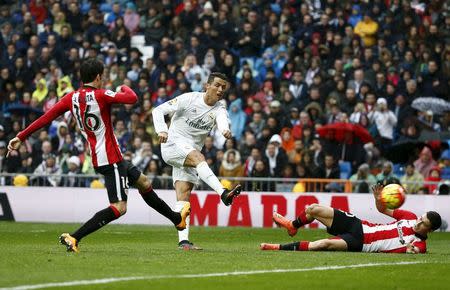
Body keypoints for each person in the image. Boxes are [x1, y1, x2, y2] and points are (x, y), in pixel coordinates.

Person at [7, 59, 190, 253]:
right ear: (98, 77)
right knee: (119, 207)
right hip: (110, 159)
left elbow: (46, 118)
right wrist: (123, 87)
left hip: (105, 157)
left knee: (143, 182)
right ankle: (74, 237)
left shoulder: (71, 98)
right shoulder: (101, 95)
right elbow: (132, 98)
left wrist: (20, 136)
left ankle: (177, 219)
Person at [152, 72, 242, 250]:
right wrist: (161, 130)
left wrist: (225, 130)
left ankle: (183, 241)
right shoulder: (189, 98)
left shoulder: (220, 109)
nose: (220, 89)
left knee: (184, 194)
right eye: (217, 85)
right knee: (199, 158)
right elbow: (158, 110)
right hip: (172, 144)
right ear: (206, 86)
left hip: (188, 153)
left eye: (223, 87)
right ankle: (223, 193)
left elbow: (223, 121)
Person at [261, 184, 441, 254]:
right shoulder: (409, 217)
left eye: (423, 223)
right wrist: (378, 199)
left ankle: (276, 247)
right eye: (421, 218)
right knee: (313, 208)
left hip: (360, 243)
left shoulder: (420, 244)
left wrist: (410, 249)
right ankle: (293, 225)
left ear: (430, 230)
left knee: (323, 244)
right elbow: (383, 210)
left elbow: (414, 251)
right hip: (359, 225)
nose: (418, 222)